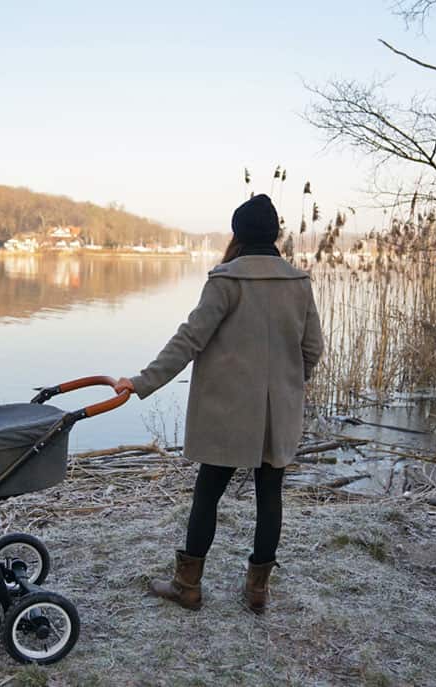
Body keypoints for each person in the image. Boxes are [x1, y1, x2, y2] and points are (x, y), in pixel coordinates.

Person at [114, 194, 323, 614]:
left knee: (207, 495)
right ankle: (258, 592)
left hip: (229, 414)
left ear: (238, 234)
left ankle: (187, 587)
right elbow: (312, 349)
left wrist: (140, 383)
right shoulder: (297, 283)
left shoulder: (226, 280)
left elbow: (189, 340)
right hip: (275, 415)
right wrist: (289, 386)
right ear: (276, 233)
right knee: (270, 498)